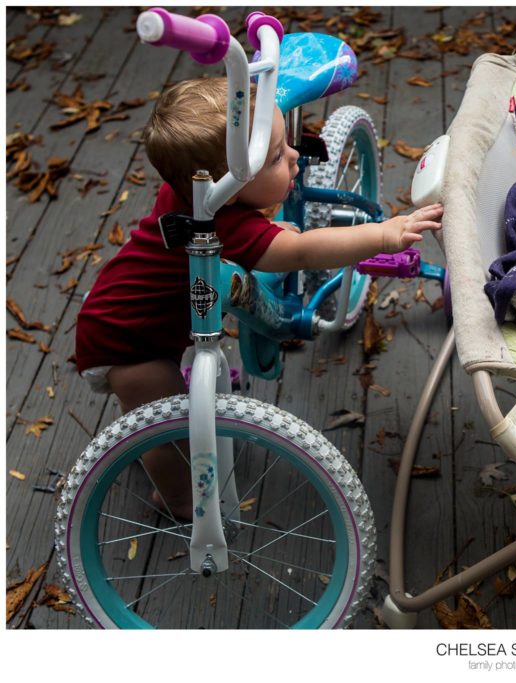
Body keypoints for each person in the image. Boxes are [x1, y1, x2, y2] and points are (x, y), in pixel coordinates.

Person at [75, 77, 442, 518]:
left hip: (120, 308)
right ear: (224, 184)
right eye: (274, 158)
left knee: (159, 410)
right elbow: (303, 251)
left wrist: (262, 238)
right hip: (128, 345)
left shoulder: (195, 195)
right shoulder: (221, 224)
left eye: (284, 145)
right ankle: (174, 497)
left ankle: (149, 424)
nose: (293, 157)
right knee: (170, 431)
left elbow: (241, 242)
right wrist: (383, 234)